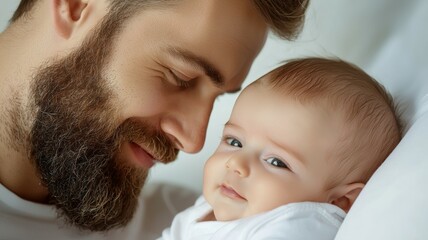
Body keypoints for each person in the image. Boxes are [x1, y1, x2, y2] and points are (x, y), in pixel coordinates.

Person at [0, 0, 310, 239]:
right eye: (180, 78)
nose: (193, 142)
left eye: (218, 98)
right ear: (77, 5)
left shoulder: (207, 224)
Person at [159, 57, 402, 240]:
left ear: (339, 202)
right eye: (234, 142)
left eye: (276, 162)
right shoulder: (215, 201)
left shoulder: (297, 225)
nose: (236, 164)